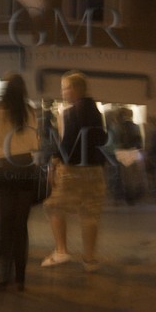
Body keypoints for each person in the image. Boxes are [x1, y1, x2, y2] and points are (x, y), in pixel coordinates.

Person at [42, 71, 109, 272]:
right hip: (95, 170)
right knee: (90, 213)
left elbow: (66, 143)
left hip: (72, 170)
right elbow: (102, 140)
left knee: (53, 206)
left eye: (65, 88)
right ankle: (89, 259)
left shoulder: (69, 112)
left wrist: (54, 163)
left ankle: (61, 251)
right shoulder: (96, 112)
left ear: (76, 89)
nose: (63, 92)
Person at [0, 73, 41, 291]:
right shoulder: (30, 111)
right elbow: (35, 143)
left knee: (4, 224)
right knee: (20, 226)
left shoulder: (0, 108)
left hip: (5, 170)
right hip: (26, 169)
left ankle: (2, 278)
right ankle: (20, 280)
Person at [109, 106, 145, 204]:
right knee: (134, 176)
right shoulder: (135, 126)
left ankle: (124, 197)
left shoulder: (116, 126)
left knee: (125, 177)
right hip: (134, 152)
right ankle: (133, 196)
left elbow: (113, 142)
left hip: (122, 152)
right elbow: (139, 141)